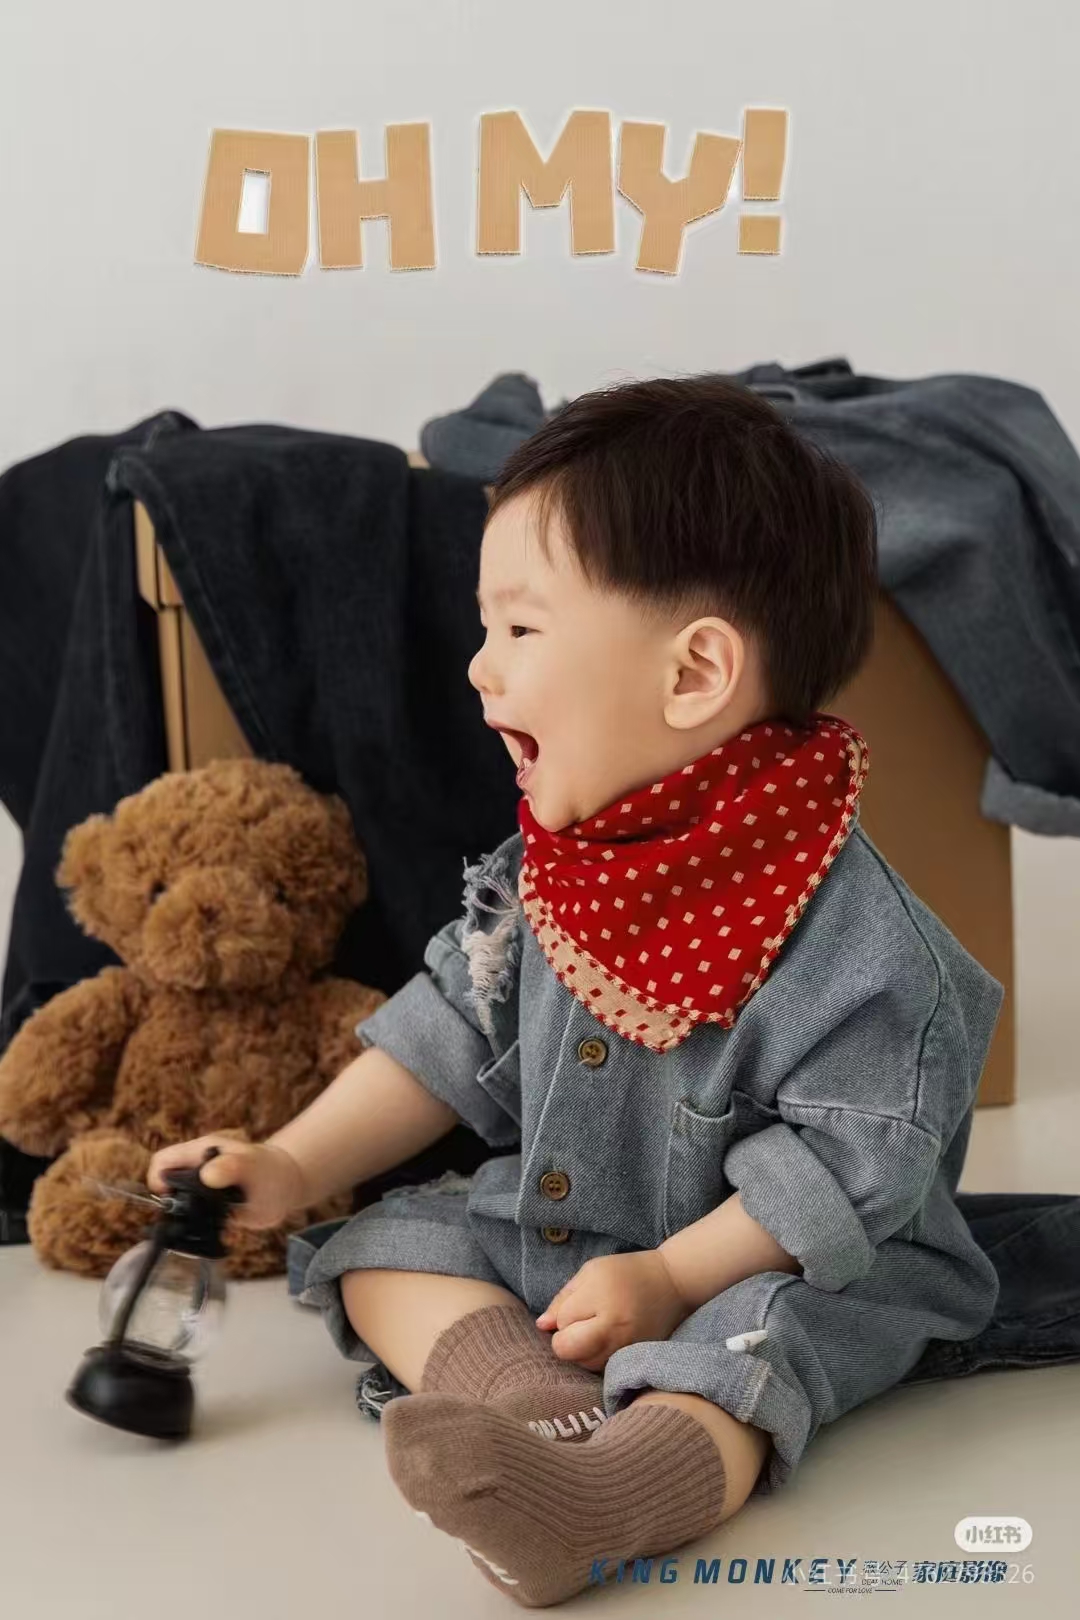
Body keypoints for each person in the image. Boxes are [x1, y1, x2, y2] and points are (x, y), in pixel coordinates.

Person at [148, 374, 1003, 1608]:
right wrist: (289, 1163)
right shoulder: (555, 870)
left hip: (768, 1261)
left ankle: (618, 1494)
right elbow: (450, 1027)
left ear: (694, 672)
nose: (479, 669)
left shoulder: (865, 949)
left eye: (521, 630)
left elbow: (840, 1172)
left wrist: (672, 1281)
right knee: (386, 1248)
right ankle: (538, 1414)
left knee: (759, 1345)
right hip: (581, 1232)